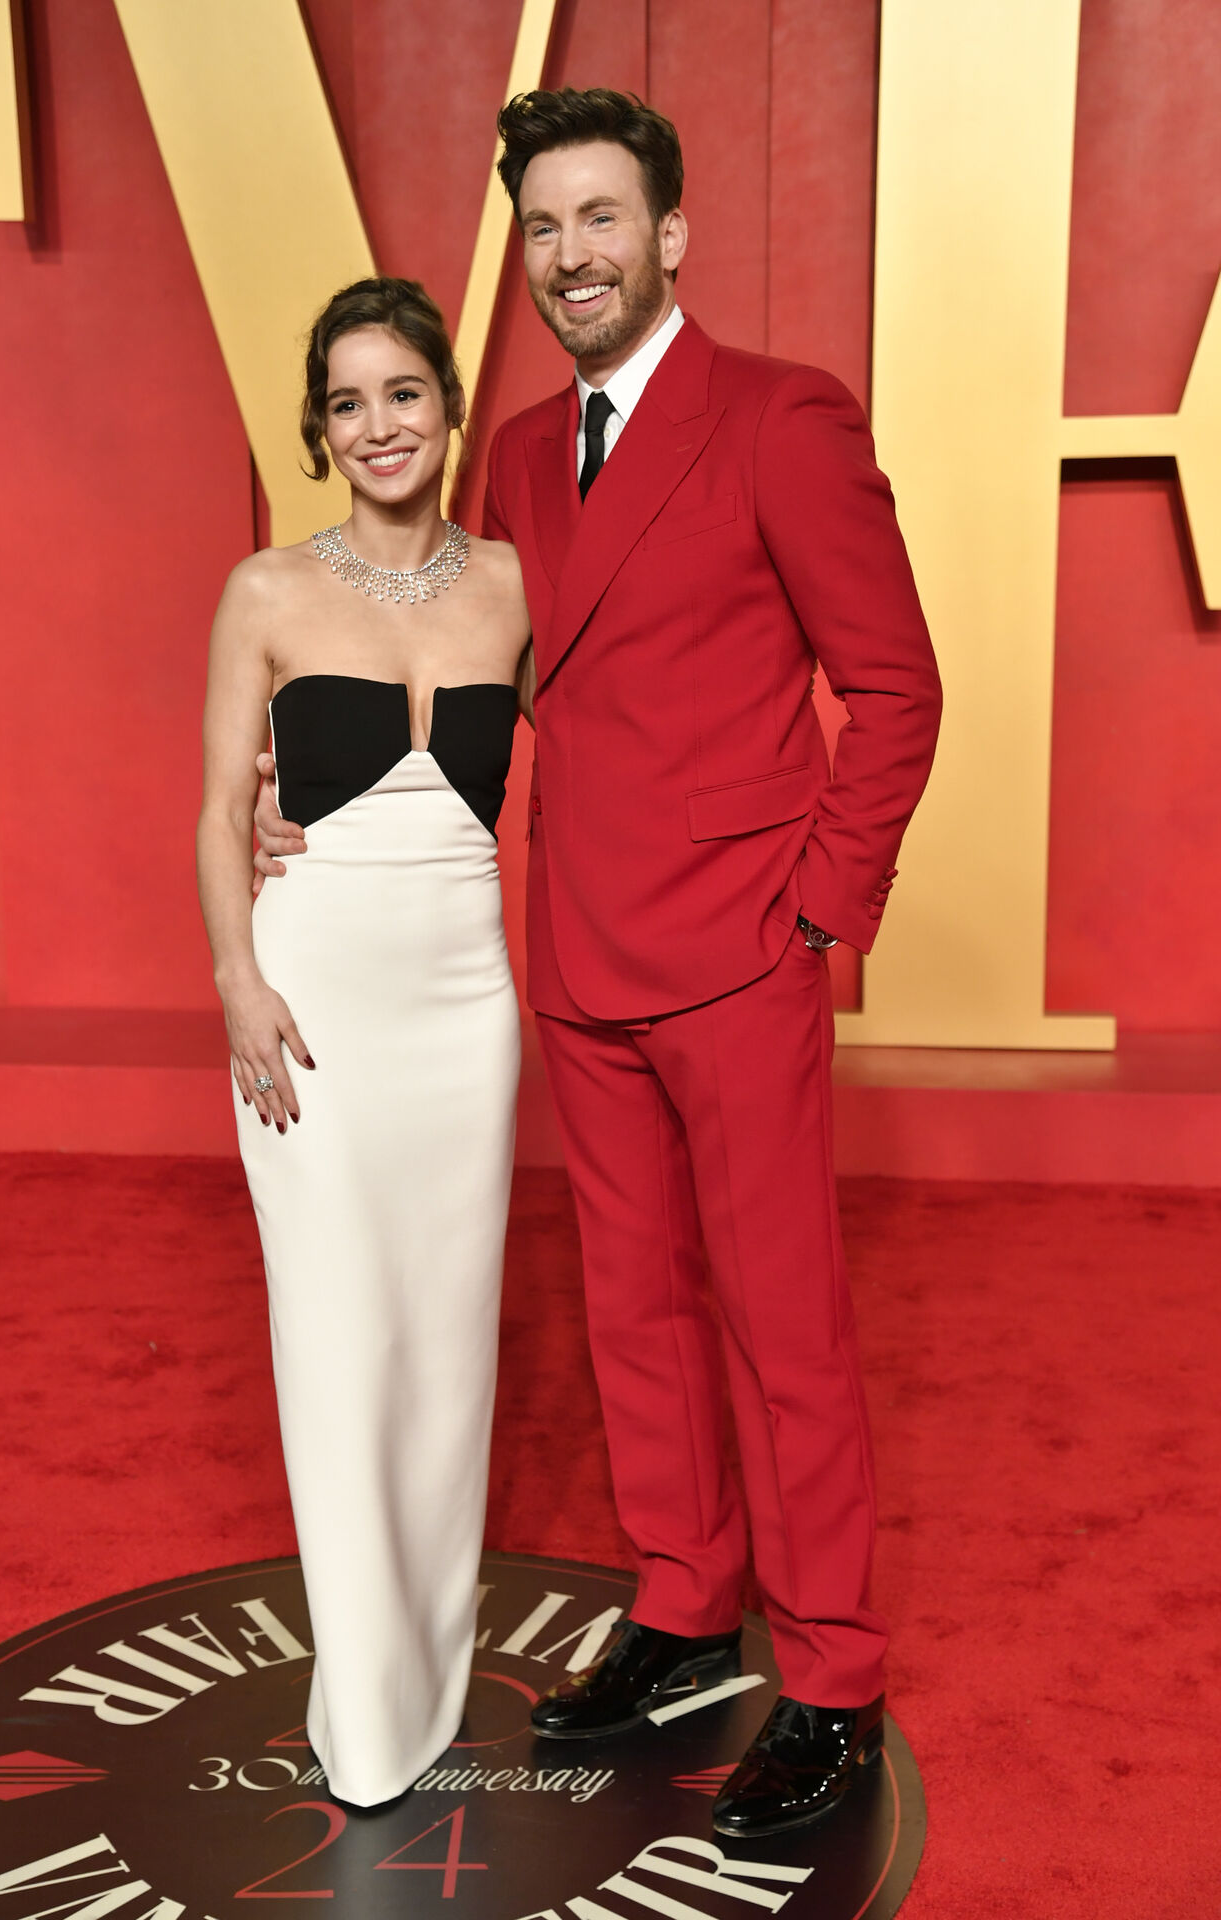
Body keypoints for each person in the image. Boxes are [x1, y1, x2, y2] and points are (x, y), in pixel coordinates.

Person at [256, 89, 941, 1836]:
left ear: (670, 236)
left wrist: (817, 915)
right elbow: (441, 673)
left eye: (602, 219)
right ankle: (685, 1602)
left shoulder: (782, 419)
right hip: (570, 949)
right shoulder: (507, 463)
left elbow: (897, 689)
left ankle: (838, 1675)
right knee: (632, 1311)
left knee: (783, 1323)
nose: (572, 255)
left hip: (738, 952)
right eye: (545, 227)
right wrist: (289, 796)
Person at [196, 277, 531, 1809]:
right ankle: (367, 1707)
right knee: (339, 1344)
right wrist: (236, 981)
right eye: (348, 400)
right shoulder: (265, 591)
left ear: (446, 406)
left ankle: (429, 1676)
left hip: (466, 1011)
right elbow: (217, 811)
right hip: (311, 1006)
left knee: (449, 1351)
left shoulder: (515, 585)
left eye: (404, 392)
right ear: (318, 426)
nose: (378, 425)